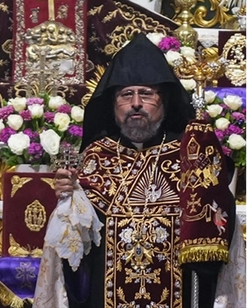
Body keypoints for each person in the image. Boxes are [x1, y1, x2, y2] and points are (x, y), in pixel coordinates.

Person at [33, 33, 247, 308]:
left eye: (146, 94)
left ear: (164, 101)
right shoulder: (95, 158)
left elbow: (219, 226)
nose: (136, 103)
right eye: (126, 94)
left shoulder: (191, 156)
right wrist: (70, 203)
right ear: (113, 105)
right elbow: (72, 254)